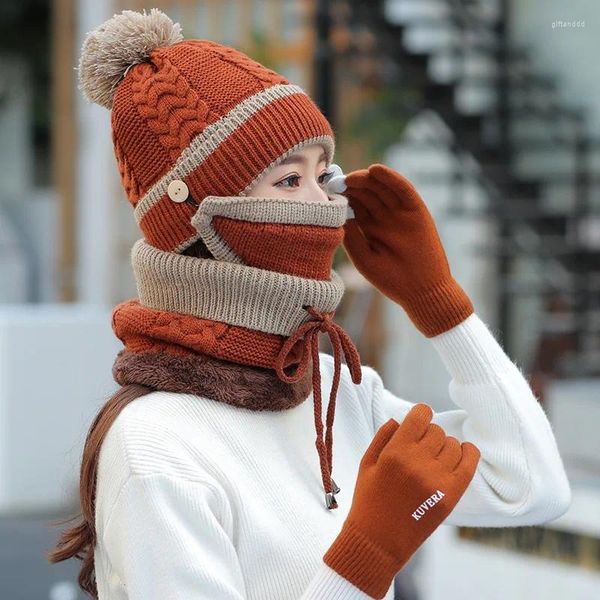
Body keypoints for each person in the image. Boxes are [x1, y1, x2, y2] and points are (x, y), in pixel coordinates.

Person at [47, 9, 571, 600]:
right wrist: (364, 560)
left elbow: (528, 485)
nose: (327, 206)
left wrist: (441, 308)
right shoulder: (157, 445)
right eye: (289, 181)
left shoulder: (336, 392)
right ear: (196, 218)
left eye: (325, 175)